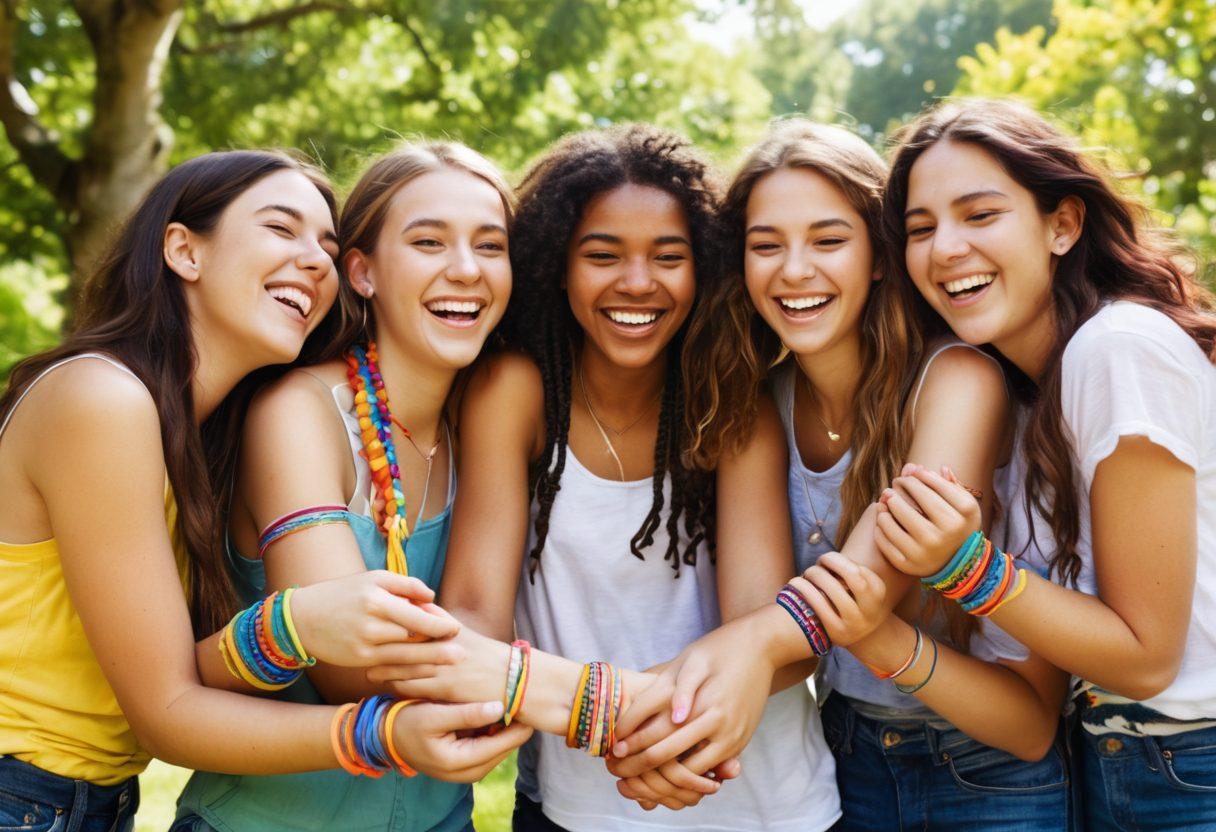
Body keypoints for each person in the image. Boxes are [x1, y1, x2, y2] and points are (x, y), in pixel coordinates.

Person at [0, 150, 518, 832]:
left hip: (85, 800)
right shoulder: (103, 398)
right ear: (183, 250)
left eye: (327, 247)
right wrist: (373, 724)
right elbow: (168, 712)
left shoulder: (198, 434)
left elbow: (186, 673)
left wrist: (285, 631)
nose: (315, 261)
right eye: (282, 229)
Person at [608, 119, 1069, 830]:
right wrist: (665, 727)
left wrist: (656, 690)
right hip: (852, 753)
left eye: (828, 241)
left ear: (880, 257)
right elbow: (778, 646)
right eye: (767, 246)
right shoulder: (760, 408)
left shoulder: (957, 380)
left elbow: (867, 587)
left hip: (990, 770)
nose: (794, 270)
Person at [877, 97, 1216, 830]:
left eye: (979, 215)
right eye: (920, 228)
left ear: (1062, 224)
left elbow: (1148, 656)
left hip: (1189, 767)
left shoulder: (1117, 347)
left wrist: (962, 565)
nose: (944, 249)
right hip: (1118, 758)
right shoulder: (1029, 393)